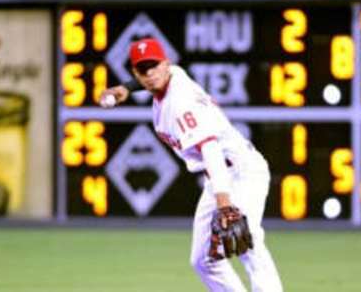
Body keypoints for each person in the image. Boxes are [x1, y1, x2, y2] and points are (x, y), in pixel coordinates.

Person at [100, 38, 283, 292]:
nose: (151, 73)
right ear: (135, 73)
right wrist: (127, 88)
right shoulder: (173, 76)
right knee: (202, 260)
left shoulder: (180, 101)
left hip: (241, 170)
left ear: (166, 63)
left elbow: (211, 149)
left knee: (247, 240)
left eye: (154, 65)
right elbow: (153, 80)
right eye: (143, 69)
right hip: (217, 176)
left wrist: (224, 203)